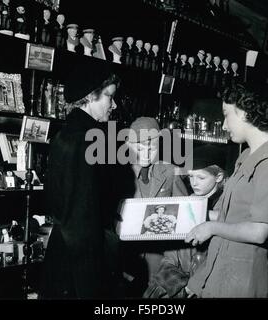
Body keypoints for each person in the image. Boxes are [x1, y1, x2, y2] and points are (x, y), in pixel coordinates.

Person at [184, 83, 268, 298]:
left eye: (226, 115)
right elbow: (230, 215)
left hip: (244, 280)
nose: (224, 125)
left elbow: (259, 231)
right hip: (220, 267)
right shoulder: (246, 156)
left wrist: (211, 226)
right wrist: (188, 212)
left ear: (243, 113)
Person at [39, 62, 120, 299]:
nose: (113, 105)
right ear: (89, 97)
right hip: (84, 260)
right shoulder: (93, 140)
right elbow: (85, 214)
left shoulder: (64, 135)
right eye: (109, 97)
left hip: (63, 252)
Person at [143, 145, 226, 298]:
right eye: (190, 177)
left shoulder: (225, 206)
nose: (194, 183)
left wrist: (192, 284)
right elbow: (174, 249)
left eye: (201, 178)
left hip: (206, 281)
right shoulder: (189, 200)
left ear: (219, 177)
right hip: (180, 273)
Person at [121, 116, 188, 297]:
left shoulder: (170, 172)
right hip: (124, 260)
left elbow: (185, 215)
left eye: (152, 147)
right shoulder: (117, 175)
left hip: (159, 263)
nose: (146, 153)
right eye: (139, 147)